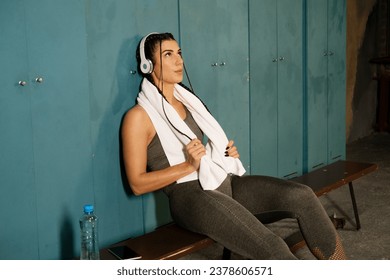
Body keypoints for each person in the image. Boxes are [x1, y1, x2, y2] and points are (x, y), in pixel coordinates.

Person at [121, 32, 346, 260]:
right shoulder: (139, 117)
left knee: (303, 196)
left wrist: (221, 154)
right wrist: (188, 166)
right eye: (168, 55)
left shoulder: (188, 101)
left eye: (179, 53)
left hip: (221, 182)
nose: (179, 61)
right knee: (273, 246)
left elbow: (202, 153)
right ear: (148, 65)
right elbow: (137, 184)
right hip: (190, 197)